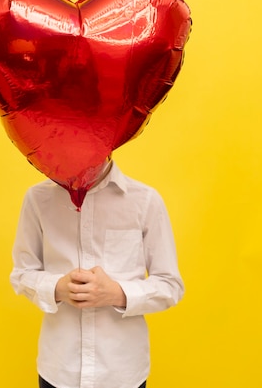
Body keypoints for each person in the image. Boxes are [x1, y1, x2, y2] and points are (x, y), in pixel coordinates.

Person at [10, 159, 184, 388]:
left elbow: (170, 285)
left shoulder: (145, 201)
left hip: (122, 372)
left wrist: (117, 293)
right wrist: (57, 288)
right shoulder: (37, 199)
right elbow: (22, 273)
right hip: (59, 370)